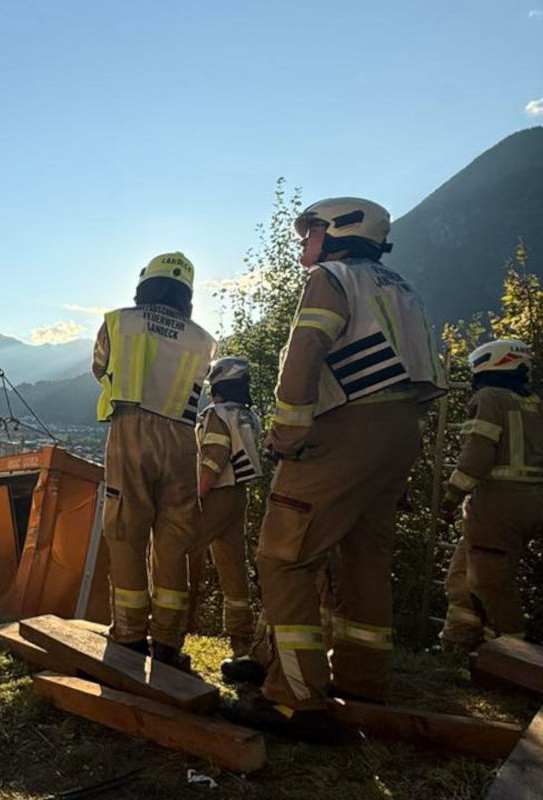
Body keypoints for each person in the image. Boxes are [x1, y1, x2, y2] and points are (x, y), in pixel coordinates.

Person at [229, 197, 446, 741]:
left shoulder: (333, 276)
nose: (305, 243)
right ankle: (364, 683)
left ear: (339, 232)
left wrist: (288, 430)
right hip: (399, 430)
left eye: (310, 232)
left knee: (284, 556)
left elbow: (307, 348)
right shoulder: (401, 287)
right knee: (365, 557)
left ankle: (295, 699)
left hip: (345, 426)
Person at [93, 252, 216, 667]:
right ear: (188, 294)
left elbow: (99, 368)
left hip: (132, 430)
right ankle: (168, 642)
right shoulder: (203, 338)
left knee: (126, 528)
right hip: (182, 438)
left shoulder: (119, 322)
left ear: (145, 284)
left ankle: (128, 634)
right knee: (175, 538)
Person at [440, 339, 543, 649]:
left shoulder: (489, 398)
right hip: (531, 501)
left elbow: (476, 456)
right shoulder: (534, 403)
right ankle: (458, 645)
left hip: (499, 505)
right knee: (461, 577)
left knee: (489, 582)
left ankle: (513, 657)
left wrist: (452, 495)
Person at [185, 357, 264, 678]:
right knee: (233, 565)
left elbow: (213, 459)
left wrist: (197, 496)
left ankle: (171, 628)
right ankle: (240, 637)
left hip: (215, 494)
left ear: (215, 385)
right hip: (238, 495)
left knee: (179, 552)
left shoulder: (215, 415)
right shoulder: (248, 415)